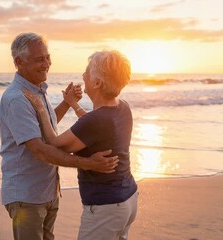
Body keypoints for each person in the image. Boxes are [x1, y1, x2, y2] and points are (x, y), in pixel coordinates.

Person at [0, 32, 119, 240]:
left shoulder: (36, 90)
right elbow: (39, 150)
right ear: (19, 62)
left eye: (47, 57)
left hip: (47, 191)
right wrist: (89, 163)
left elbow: (46, 126)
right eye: (40, 59)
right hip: (27, 196)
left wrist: (67, 103)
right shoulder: (17, 99)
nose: (47, 64)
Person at [23, 50, 138, 240]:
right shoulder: (122, 106)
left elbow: (55, 143)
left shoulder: (95, 121)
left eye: (87, 71)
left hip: (105, 207)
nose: (83, 75)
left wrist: (41, 110)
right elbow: (94, 126)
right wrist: (72, 104)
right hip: (128, 200)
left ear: (97, 83)